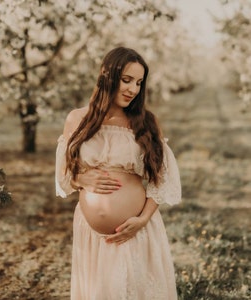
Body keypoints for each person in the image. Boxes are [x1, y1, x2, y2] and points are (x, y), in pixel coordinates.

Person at [55, 46, 182, 300]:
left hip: (135, 230)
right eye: (126, 80)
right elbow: (65, 172)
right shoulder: (77, 119)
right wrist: (81, 178)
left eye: (138, 82)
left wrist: (142, 220)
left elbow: (162, 178)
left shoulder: (146, 122)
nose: (133, 89)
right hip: (91, 235)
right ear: (107, 76)